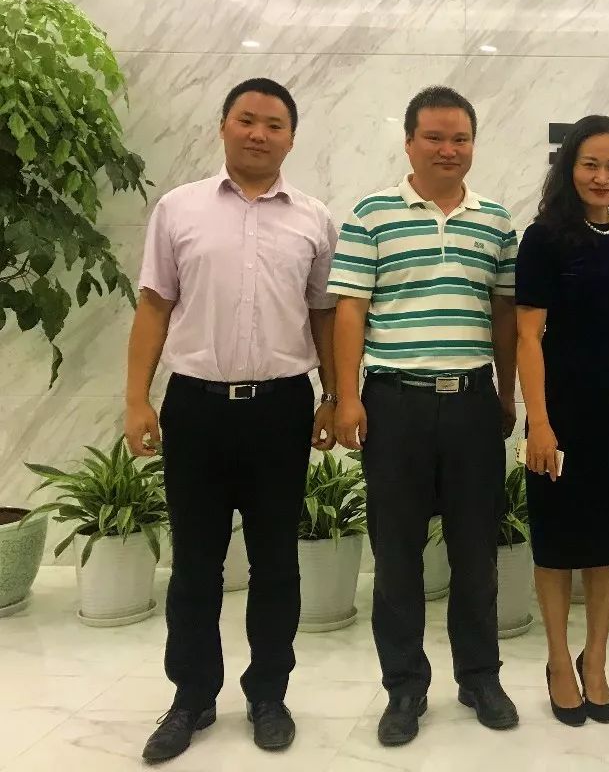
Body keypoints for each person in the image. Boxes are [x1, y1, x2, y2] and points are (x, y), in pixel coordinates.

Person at [125, 78, 338, 763]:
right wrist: (137, 399)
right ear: (224, 126)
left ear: (291, 138)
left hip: (281, 407)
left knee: (277, 562)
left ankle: (268, 694)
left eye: (274, 124)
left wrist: (335, 395)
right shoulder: (178, 208)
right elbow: (154, 306)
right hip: (196, 407)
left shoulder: (314, 220)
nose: (259, 134)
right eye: (247, 120)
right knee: (196, 564)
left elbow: (324, 315)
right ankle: (191, 697)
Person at [329, 85, 519, 745]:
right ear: (409, 142)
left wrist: (506, 394)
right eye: (434, 137)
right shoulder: (372, 214)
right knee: (397, 555)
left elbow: (504, 314)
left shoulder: (495, 221)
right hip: (395, 403)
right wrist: (348, 395)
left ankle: (480, 677)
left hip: (471, 402)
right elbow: (350, 309)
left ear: (473, 145)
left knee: (476, 552)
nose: (448, 149)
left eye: (460, 138)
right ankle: (404, 687)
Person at [515, 115, 609, 726]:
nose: (602, 177)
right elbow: (528, 336)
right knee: (556, 542)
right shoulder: (543, 237)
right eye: (590, 164)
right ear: (569, 168)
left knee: (607, 541)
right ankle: (557, 659)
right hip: (562, 407)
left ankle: (594, 659)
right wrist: (539, 422)